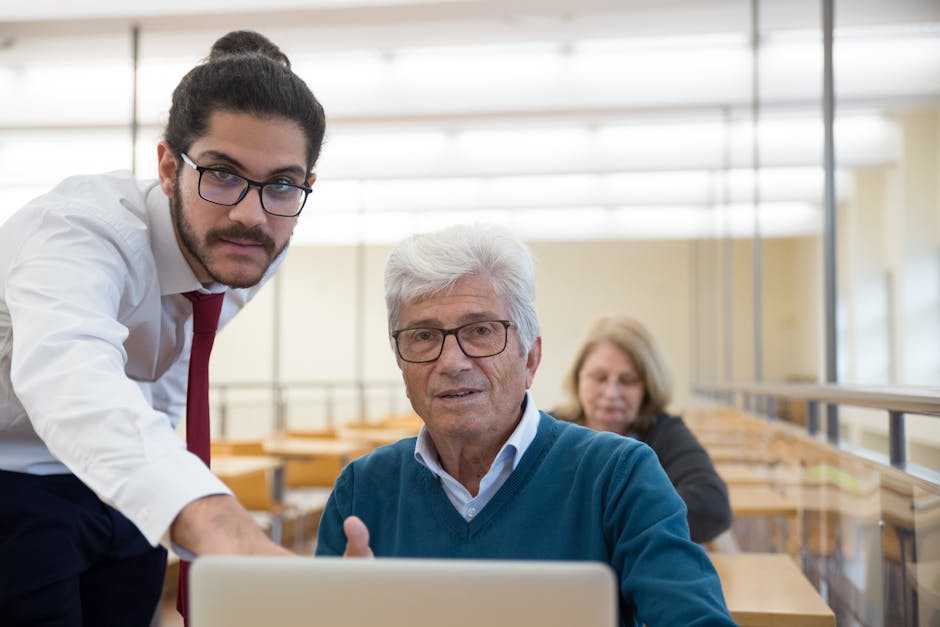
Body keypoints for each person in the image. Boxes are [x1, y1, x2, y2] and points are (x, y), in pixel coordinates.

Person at [0, 31, 325, 626]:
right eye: (222, 174)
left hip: (112, 479)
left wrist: (172, 480)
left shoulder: (254, 248)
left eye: (281, 184)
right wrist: (218, 521)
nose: (249, 215)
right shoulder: (79, 230)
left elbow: (175, 368)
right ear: (169, 167)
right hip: (11, 473)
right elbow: (69, 373)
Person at [315, 223, 735, 627]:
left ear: (530, 359)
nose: (451, 361)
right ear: (401, 363)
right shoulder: (361, 491)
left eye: (480, 330)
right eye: (423, 336)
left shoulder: (619, 476)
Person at [553, 316, 732, 544]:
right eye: (599, 378)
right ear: (578, 378)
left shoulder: (665, 432)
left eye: (627, 381)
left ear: (647, 387)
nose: (611, 394)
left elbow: (711, 506)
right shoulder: (548, 431)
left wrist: (603, 527)